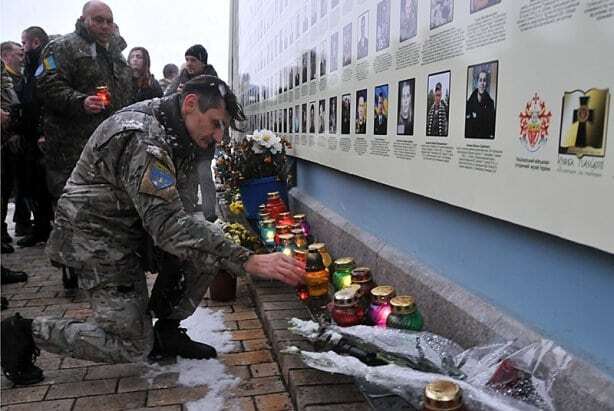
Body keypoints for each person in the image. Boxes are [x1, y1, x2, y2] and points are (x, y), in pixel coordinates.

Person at [0, 75, 305, 386]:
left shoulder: (180, 135)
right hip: (97, 237)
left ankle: (167, 333)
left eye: (222, 128)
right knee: (131, 343)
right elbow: (168, 226)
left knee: (208, 247)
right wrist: (246, 260)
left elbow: (179, 215)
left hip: (136, 227)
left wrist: (219, 250)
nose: (217, 136)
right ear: (190, 104)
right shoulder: (144, 138)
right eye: (215, 123)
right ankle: (25, 333)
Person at [36, 0, 134, 289]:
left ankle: (101, 263)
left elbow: (125, 88)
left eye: (108, 21)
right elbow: (47, 85)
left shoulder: (114, 52)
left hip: (108, 143)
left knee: (104, 206)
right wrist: (80, 101)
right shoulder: (60, 48)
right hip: (72, 146)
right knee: (71, 207)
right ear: (84, 19)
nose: (104, 26)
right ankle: (69, 265)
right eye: (98, 20)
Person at [15, 27, 54, 247]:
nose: (22, 47)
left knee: (44, 185)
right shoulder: (30, 66)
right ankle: (41, 228)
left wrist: (43, 132)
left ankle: (46, 228)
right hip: (29, 135)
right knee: (34, 184)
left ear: (36, 42)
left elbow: (47, 100)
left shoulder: (47, 63)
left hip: (42, 136)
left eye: (24, 43)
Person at [1, 41, 32, 240]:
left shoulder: (21, 78)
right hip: (5, 138)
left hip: (17, 137)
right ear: (5, 55)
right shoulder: (6, 78)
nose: (22, 58)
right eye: (18, 54)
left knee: (17, 183)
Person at [465, 68, 495, 139]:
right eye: (480, 80)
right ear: (477, 83)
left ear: (486, 83)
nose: (482, 83)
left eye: (484, 80)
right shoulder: (469, 103)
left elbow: (491, 128)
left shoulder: (490, 103)